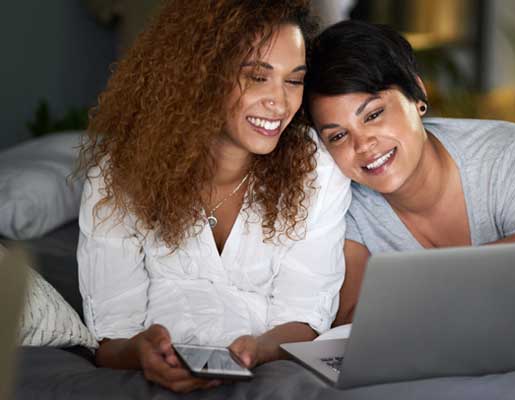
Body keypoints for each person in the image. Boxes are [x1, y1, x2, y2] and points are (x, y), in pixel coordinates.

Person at [76, 0, 350, 393]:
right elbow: (111, 337)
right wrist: (143, 353)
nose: (281, 101)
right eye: (257, 77)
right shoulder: (119, 176)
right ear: (200, 75)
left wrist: (257, 349)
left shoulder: (317, 170)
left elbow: (305, 316)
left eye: (294, 80)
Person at [303, 20, 515, 327]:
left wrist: (407, 291)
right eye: (338, 136)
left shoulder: (512, 155)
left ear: (417, 93)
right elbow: (350, 326)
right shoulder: (344, 202)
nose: (363, 145)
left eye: (374, 115)